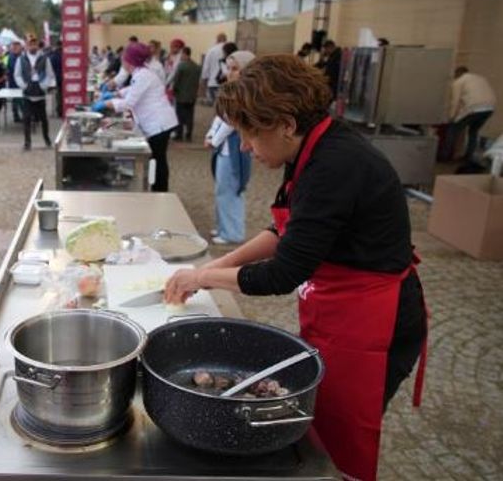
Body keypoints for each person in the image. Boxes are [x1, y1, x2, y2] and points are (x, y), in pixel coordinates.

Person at [165, 55, 427, 481]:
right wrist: (218, 263)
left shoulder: (335, 164)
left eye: (250, 134)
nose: (246, 146)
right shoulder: (312, 147)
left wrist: (202, 277)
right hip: (338, 307)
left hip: (376, 322)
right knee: (318, 421)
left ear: (285, 123)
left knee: (339, 434)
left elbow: (281, 273)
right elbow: (285, 229)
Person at [92, 43, 178, 192]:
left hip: (159, 124)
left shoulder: (143, 75)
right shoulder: (141, 73)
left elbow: (129, 103)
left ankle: (160, 193)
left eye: (124, 57)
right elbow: (133, 89)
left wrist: (105, 103)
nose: (122, 60)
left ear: (129, 60)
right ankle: (158, 190)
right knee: (157, 160)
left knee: (157, 161)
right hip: (157, 122)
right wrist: (115, 94)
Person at [205, 51, 255, 245]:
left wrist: (214, 140)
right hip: (224, 150)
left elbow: (231, 121)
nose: (229, 72)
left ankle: (232, 232)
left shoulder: (245, 94)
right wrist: (211, 134)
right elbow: (220, 116)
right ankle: (223, 226)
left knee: (230, 191)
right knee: (222, 189)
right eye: (229, 68)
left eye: (235, 69)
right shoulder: (233, 90)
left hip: (234, 150)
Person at [14, 35, 56, 150]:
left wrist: (44, 85)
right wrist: (23, 85)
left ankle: (47, 140)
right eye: (30, 44)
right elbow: (17, 74)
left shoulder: (44, 58)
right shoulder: (21, 59)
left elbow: (50, 74)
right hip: (28, 92)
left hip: (40, 92)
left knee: (43, 119)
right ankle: (27, 143)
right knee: (26, 119)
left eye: (34, 44)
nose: (33, 46)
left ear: (37, 45)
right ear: (27, 45)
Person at [448, 66, 496, 165]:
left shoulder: (459, 81)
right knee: (473, 131)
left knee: (452, 129)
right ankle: (468, 157)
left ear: (457, 74)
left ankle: (446, 157)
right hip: (490, 107)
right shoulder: (480, 78)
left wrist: (451, 117)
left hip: (475, 107)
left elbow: (455, 102)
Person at [172, 46, 202, 142]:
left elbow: (176, 80)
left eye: (182, 54)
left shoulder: (181, 66)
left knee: (179, 115)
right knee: (190, 116)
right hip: (192, 95)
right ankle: (188, 134)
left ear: (185, 54)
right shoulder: (197, 67)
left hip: (181, 95)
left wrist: (174, 90)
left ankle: (179, 134)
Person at [200, 32, 228, 104]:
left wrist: (204, 80)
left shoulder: (211, 50)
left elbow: (206, 67)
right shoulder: (230, 49)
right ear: (225, 39)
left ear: (217, 40)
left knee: (215, 106)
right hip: (226, 83)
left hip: (213, 82)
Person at [7, 41, 24, 123]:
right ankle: (17, 116)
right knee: (17, 100)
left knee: (18, 100)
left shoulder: (20, 56)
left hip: (19, 83)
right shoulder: (12, 57)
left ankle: (19, 115)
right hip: (14, 83)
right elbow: (15, 69)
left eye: (19, 47)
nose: (19, 49)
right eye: (17, 47)